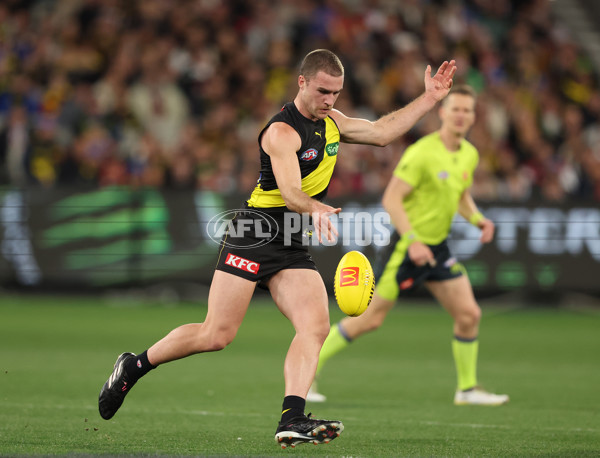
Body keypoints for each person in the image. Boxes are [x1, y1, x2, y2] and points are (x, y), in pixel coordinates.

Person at [98, 49, 456, 448]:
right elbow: (289, 192)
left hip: (291, 242)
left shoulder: (333, 122)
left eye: (336, 93)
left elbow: (382, 133)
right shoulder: (281, 131)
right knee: (216, 334)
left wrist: (430, 98)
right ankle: (134, 365)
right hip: (254, 234)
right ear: (301, 82)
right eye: (323, 91)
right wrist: (316, 207)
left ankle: (292, 418)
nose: (330, 100)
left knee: (315, 325)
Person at [309, 84, 509, 406]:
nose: (460, 115)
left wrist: (477, 219)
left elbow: (459, 194)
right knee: (368, 320)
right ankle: (308, 374)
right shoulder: (422, 153)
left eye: (466, 110)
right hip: (407, 247)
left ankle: (467, 390)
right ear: (442, 113)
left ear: (473, 117)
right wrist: (414, 241)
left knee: (469, 314)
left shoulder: (469, 154)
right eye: (454, 109)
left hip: (436, 248)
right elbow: (391, 199)